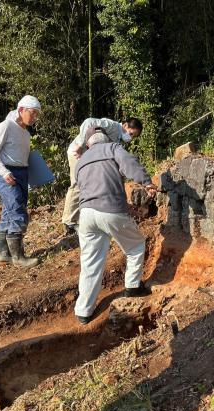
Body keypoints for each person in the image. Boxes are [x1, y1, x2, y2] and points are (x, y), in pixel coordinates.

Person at [74, 126, 157, 324]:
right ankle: (132, 286)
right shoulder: (113, 148)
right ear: (105, 138)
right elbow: (130, 164)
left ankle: (83, 311)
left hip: (85, 215)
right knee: (135, 245)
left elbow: (81, 185)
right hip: (110, 210)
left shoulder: (80, 162)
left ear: (88, 144)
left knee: (90, 262)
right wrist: (147, 182)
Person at [62, 117, 143, 234]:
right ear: (125, 125)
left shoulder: (118, 139)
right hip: (77, 153)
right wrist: (80, 144)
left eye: (133, 136)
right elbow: (88, 122)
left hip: (89, 158)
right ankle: (69, 221)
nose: (130, 138)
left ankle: (82, 219)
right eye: (131, 133)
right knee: (77, 185)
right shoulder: (112, 125)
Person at [0, 95, 41, 268]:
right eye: (32, 113)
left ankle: (4, 255)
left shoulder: (25, 133)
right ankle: (18, 257)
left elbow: (23, 159)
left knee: (8, 214)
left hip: (21, 174)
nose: (35, 117)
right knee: (18, 212)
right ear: (21, 110)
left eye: (37, 114)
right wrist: (4, 173)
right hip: (6, 173)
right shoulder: (5, 126)